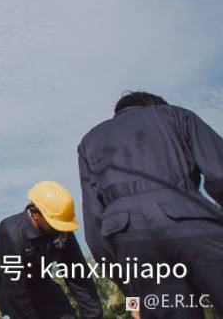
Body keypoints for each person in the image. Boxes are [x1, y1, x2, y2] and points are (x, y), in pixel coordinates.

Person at [78, 91, 223, 316]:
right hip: (191, 222)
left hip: (132, 243)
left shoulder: (89, 141)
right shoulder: (176, 116)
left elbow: (94, 223)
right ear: (154, 106)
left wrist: (132, 289)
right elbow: (220, 175)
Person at [0, 181, 103, 319]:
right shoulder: (11, 233)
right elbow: (16, 292)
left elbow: (78, 276)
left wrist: (94, 316)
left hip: (36, 272)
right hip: (4, 276)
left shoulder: (61, 228)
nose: (60, 230)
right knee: (17, 311)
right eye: (55, 224)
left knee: (62, 312)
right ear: (35, 214)